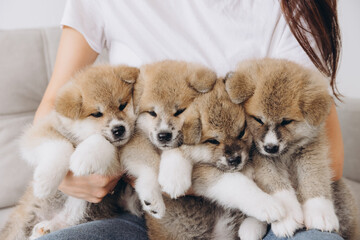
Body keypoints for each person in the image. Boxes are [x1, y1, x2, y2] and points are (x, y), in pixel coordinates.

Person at [37, 0, 344, 239]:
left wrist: (204, 177)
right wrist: (62, 168)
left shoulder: (286, 8)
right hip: (146, 215)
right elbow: (56, 103)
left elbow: (328, 153)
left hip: (266, 208)